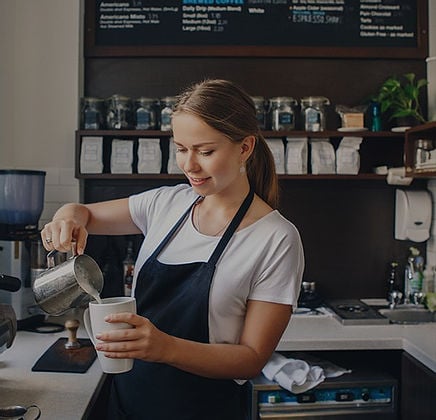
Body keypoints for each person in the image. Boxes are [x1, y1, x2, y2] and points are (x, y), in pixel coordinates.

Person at [41, 79, 304, 420]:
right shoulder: (167, 203)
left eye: (205, 151)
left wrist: (164, 348)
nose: (189, 165)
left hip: (203, 409)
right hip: (127, 404)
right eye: (181, 148)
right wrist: (67, 215)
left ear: (245, 147)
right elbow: (85, 213)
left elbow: (252, 357)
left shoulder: (276, 238)